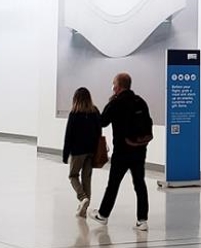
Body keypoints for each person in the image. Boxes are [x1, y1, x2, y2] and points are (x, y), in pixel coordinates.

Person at [91, 72, 153, 231]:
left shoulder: (116, 103)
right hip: (139, 150)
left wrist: (96, 109)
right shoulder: (140, 102)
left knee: (113, 184)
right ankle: (142, 220)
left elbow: (102, 122)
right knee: (140, 184)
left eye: (113, 83)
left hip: (122, 151)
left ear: (117, 86)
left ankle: (103, 215)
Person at [62, 86, 102, 218]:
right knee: (87, 178)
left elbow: (69, 135)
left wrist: (65, 154)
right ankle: (84, 209)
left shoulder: (74, 113)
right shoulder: (95, 111)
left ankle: (82, 198)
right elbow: (99, 131)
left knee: (73, 175)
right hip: (91, 151)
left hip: (78, 151)